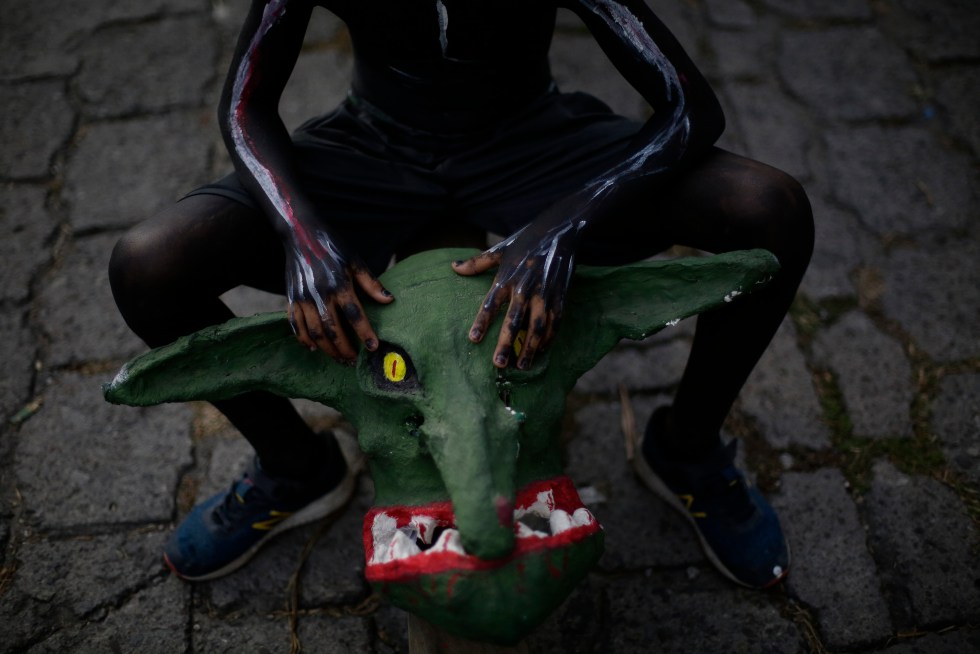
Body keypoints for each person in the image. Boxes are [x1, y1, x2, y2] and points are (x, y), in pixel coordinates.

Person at [109, 0, 812, 588]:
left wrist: (566, 223)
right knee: (150, 265)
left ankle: (687, 451)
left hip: (535, 146)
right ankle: (296, 468)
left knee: (767, 209)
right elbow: (245, 103)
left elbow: (690, 106)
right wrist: (300, 231)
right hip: (375, 151)